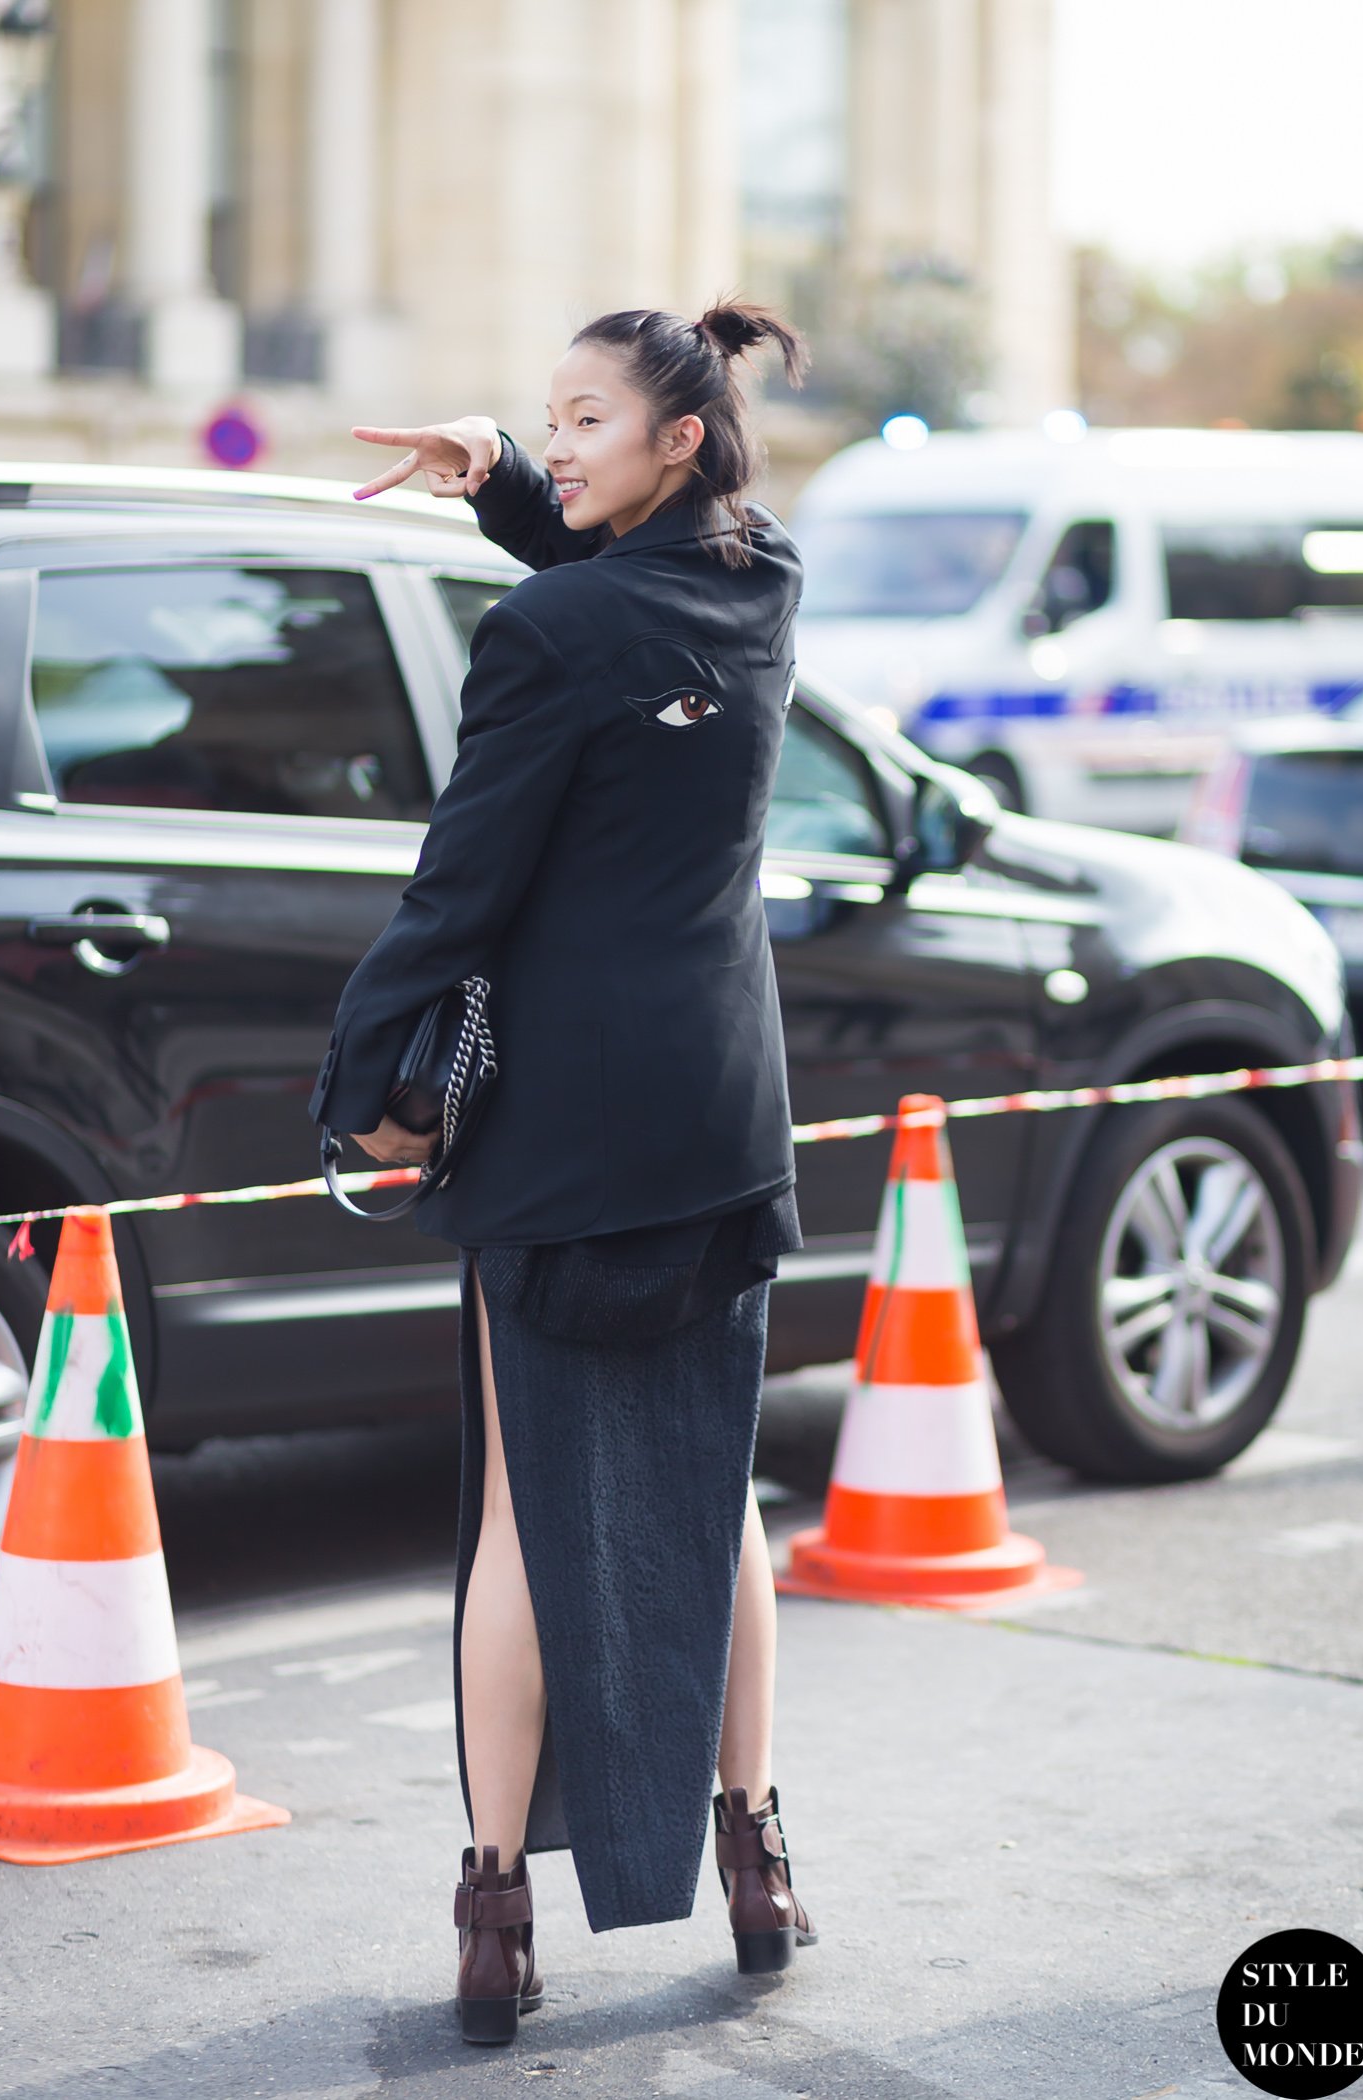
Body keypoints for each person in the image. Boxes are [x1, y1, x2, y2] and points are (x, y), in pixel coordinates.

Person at [306, 299, 820, 2048]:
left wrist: (360, 1081)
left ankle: (497, 1912)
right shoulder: (763, 585)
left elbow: (460, 890)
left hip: (570, 1136)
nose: (565, 439)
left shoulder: (544, 634)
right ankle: (753, 1853)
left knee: (529, 1523)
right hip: (723, 1112)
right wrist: (518, 482)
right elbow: (640, 604)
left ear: (677, 437)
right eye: (553, 416)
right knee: (720, 1496)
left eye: (588, 417)